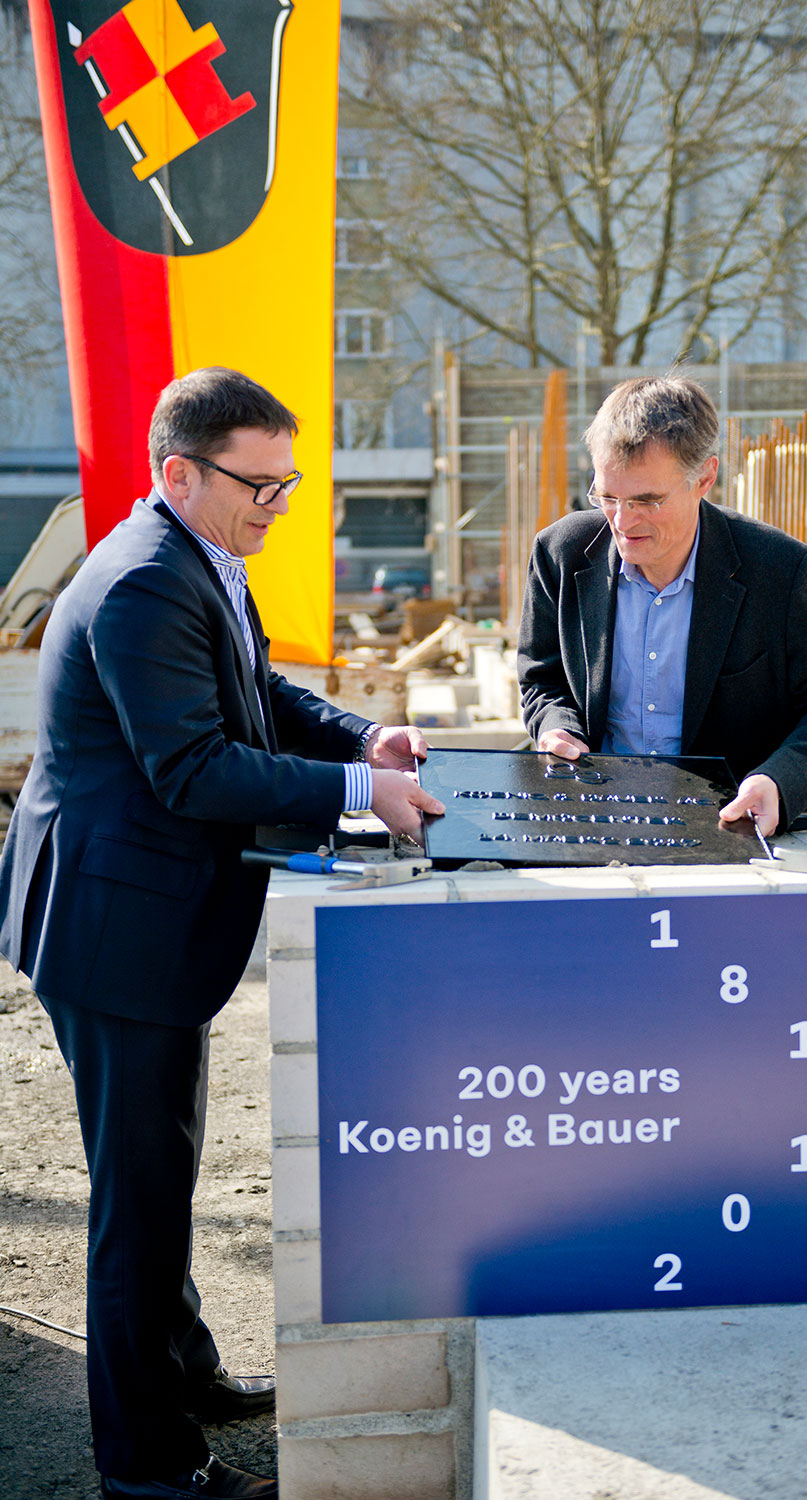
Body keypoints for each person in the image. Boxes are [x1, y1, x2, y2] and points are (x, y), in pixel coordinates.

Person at [0, 367, 444, 1500]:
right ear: (180, 472)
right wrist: (360, 791)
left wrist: (362, 737)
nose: (278, 506)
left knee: (161, 1167)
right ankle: (148, 1467)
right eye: (261, 485)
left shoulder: (196, 552)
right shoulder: (147, 581)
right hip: (113, 924)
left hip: (132, 909)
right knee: (139, 1199)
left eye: (288, 483)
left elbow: (259, 693)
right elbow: (196, 766)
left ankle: (183, 1374)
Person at [517, 373, 807, 835]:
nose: (622, 521)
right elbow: (542, 678)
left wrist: (780, 780)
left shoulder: (780, 570)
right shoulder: (561, 555)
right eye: (607, 496)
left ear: (704, 477)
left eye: (647, 500)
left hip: (733, 824)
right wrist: (557, 727)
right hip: (598, 816)